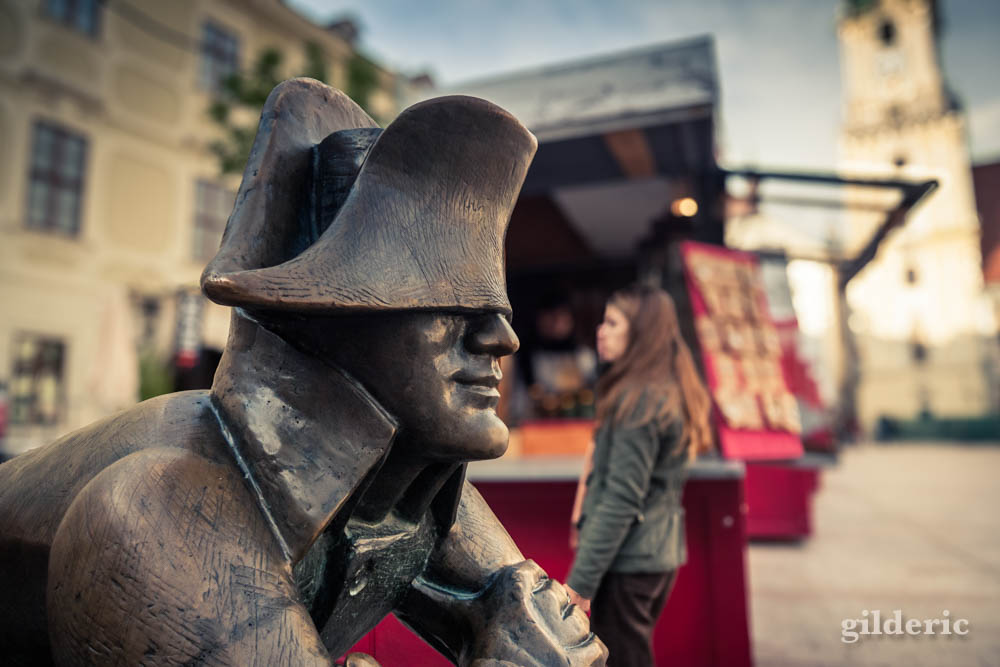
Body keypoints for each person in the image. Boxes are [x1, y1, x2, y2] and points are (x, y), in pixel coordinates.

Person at [0, 79, 606, 666]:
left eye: (493, 309)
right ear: (335, 322)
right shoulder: (156, 515)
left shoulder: (410, 492)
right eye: (450, 306)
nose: (502, 337)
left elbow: (542, 635)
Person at [565, 284, 713, 666]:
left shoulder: (640, 400)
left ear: (641, 333)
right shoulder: (660, 390)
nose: (601, 330)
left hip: (631, 560)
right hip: (655, 553)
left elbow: (621, 499)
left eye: (613, 322)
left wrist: (581, 581)